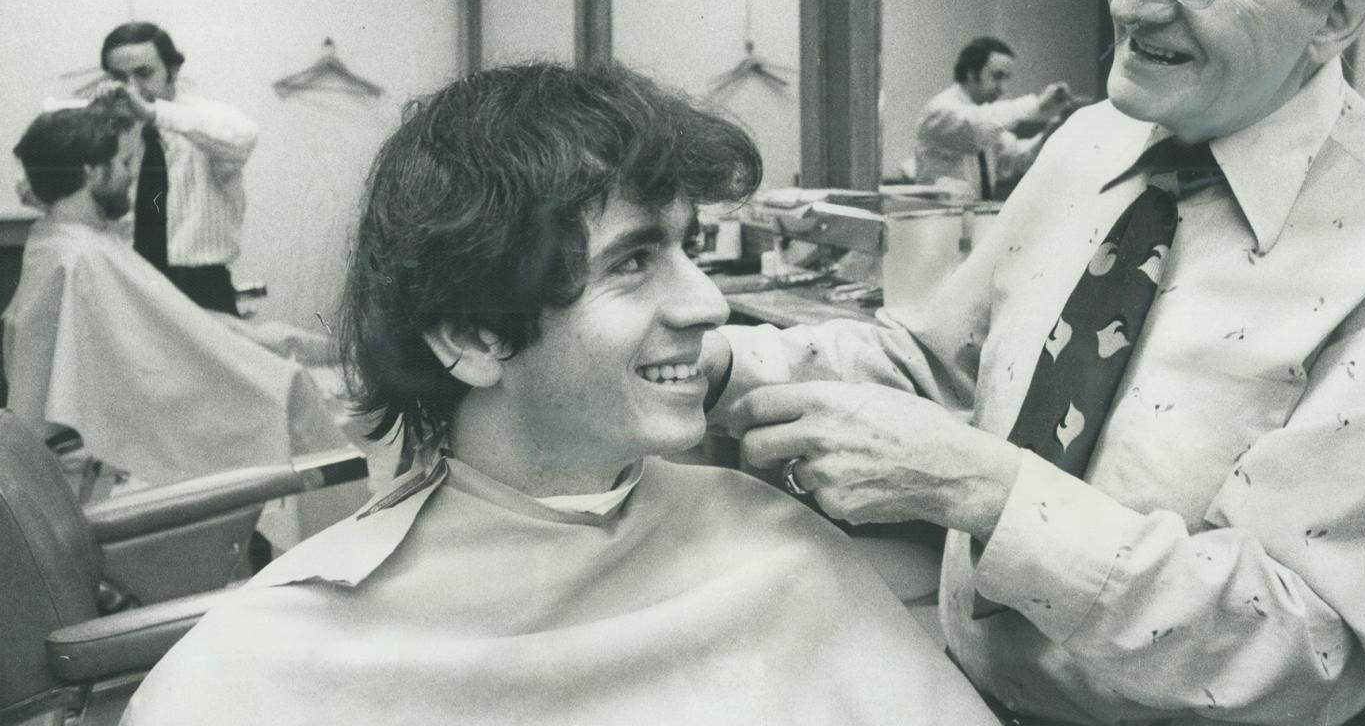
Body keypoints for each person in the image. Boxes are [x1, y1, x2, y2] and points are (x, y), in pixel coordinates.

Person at [703, 0, 1365, 726]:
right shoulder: (1088, 142)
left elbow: (1297, 647)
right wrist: (706, 361)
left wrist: (983, 489)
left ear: (1338, 12)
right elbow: (931, 364)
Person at [123, 62, 999, 726]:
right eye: (632, 262)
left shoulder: (778, 551)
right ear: (470, 335)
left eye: (690, 248)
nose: (706, 303)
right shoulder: (266, 663)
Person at [4, 100, 355, 531]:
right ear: (91, 172)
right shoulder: (79, 259)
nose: (132, 175)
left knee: (287, 377)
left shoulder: (62, 243)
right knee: (291, 397)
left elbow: (161, 337)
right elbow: (154, 364)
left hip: (76, 446)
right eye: (124, 161)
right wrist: (267, 375)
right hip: (93, 457)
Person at [99, 21, 258, 314]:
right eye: (120, 77)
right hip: (130, 281)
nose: (132, 88)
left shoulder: (205, 118)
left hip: (202, 286)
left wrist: (155, 114)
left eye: (144, 73)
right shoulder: (111, 130)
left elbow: (245, 136)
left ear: (172, 70)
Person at [915, 36, 1072, 198]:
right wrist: (1037, 104)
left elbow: (1016, 158)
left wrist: (1049, 135)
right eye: (997, 76)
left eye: (1006, 79)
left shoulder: (986, 121)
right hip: (938, 220)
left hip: (971, 217)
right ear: (971, 73)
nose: (1003, 88)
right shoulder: (941, 109)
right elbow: (976, 126)